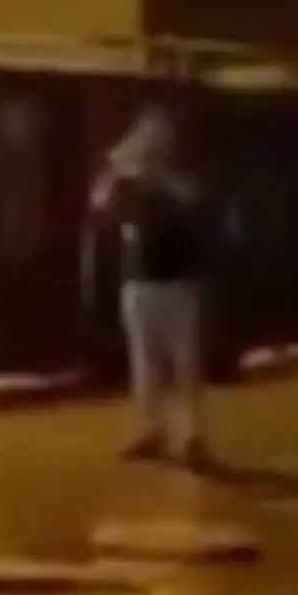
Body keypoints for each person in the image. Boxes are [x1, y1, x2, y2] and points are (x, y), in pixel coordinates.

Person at [89, 108, 214, 467]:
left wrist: (154, 174)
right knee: (144, 365)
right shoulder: (128, 180)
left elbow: (195, 198)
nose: (148, 141)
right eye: (143, 134)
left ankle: (192, 436)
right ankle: (150, 431)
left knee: (185, 364)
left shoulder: (178, 173)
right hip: (139, 284)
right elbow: (99, 202)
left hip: (179, 285)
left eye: (155, 134)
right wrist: (115, 167)